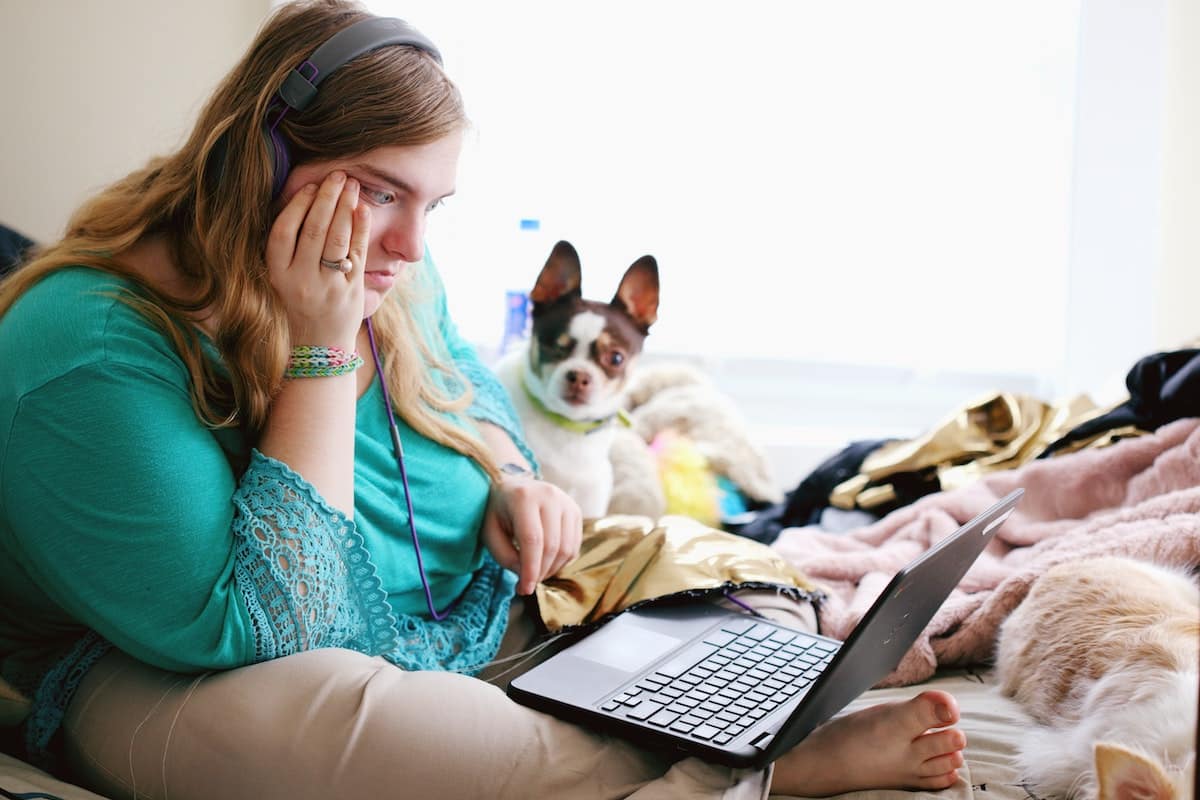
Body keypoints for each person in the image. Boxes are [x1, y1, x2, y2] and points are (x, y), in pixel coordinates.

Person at [0, 2, 967, 797]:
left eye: (434, 205)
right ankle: (752, 762)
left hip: (475, 613)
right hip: (193, 673)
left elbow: (473, 395)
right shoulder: (83, 346)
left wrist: (514, 478)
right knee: (366, 735)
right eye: (381, 192)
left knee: (732, 578)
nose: (413, 248)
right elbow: (273, 625)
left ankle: (721, 725)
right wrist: (322, 348)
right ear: (264, 164)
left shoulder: (388, 264)